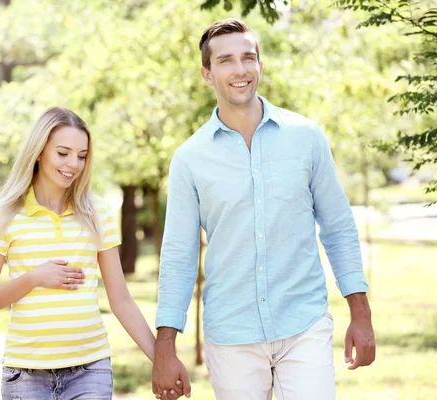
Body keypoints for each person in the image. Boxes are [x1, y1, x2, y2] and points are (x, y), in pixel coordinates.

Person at [152, 18, 375, 400]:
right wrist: (165, 347)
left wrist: (361, 314)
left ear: (260, 65)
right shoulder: (189, 159)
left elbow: (337, 227)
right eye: (225, 61)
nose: (239, 70)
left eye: (248, 58)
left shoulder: (306, 137)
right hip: (231, 334)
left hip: (303, 323)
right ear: (207, 74)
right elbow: (179, 256)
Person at [0, 107, 155, 400]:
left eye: (82, 156)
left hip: (90, 370)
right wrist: (34, 278)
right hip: (26, 374)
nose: (74, 164)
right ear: (39, 152)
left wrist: (160, 358)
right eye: (63, 153)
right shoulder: (5, 215)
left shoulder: (97, 213)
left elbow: (121, 299)